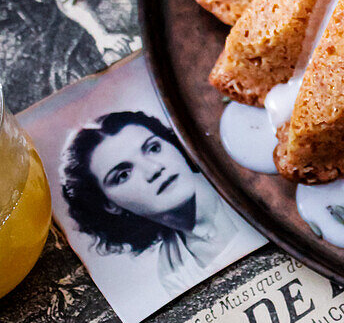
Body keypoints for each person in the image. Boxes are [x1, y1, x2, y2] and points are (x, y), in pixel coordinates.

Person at [62, 111, 240, 295]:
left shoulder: (239, 183)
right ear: (109, 205)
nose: (154, 169)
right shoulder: (173, 271)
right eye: (123, 175)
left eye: (154, 148)